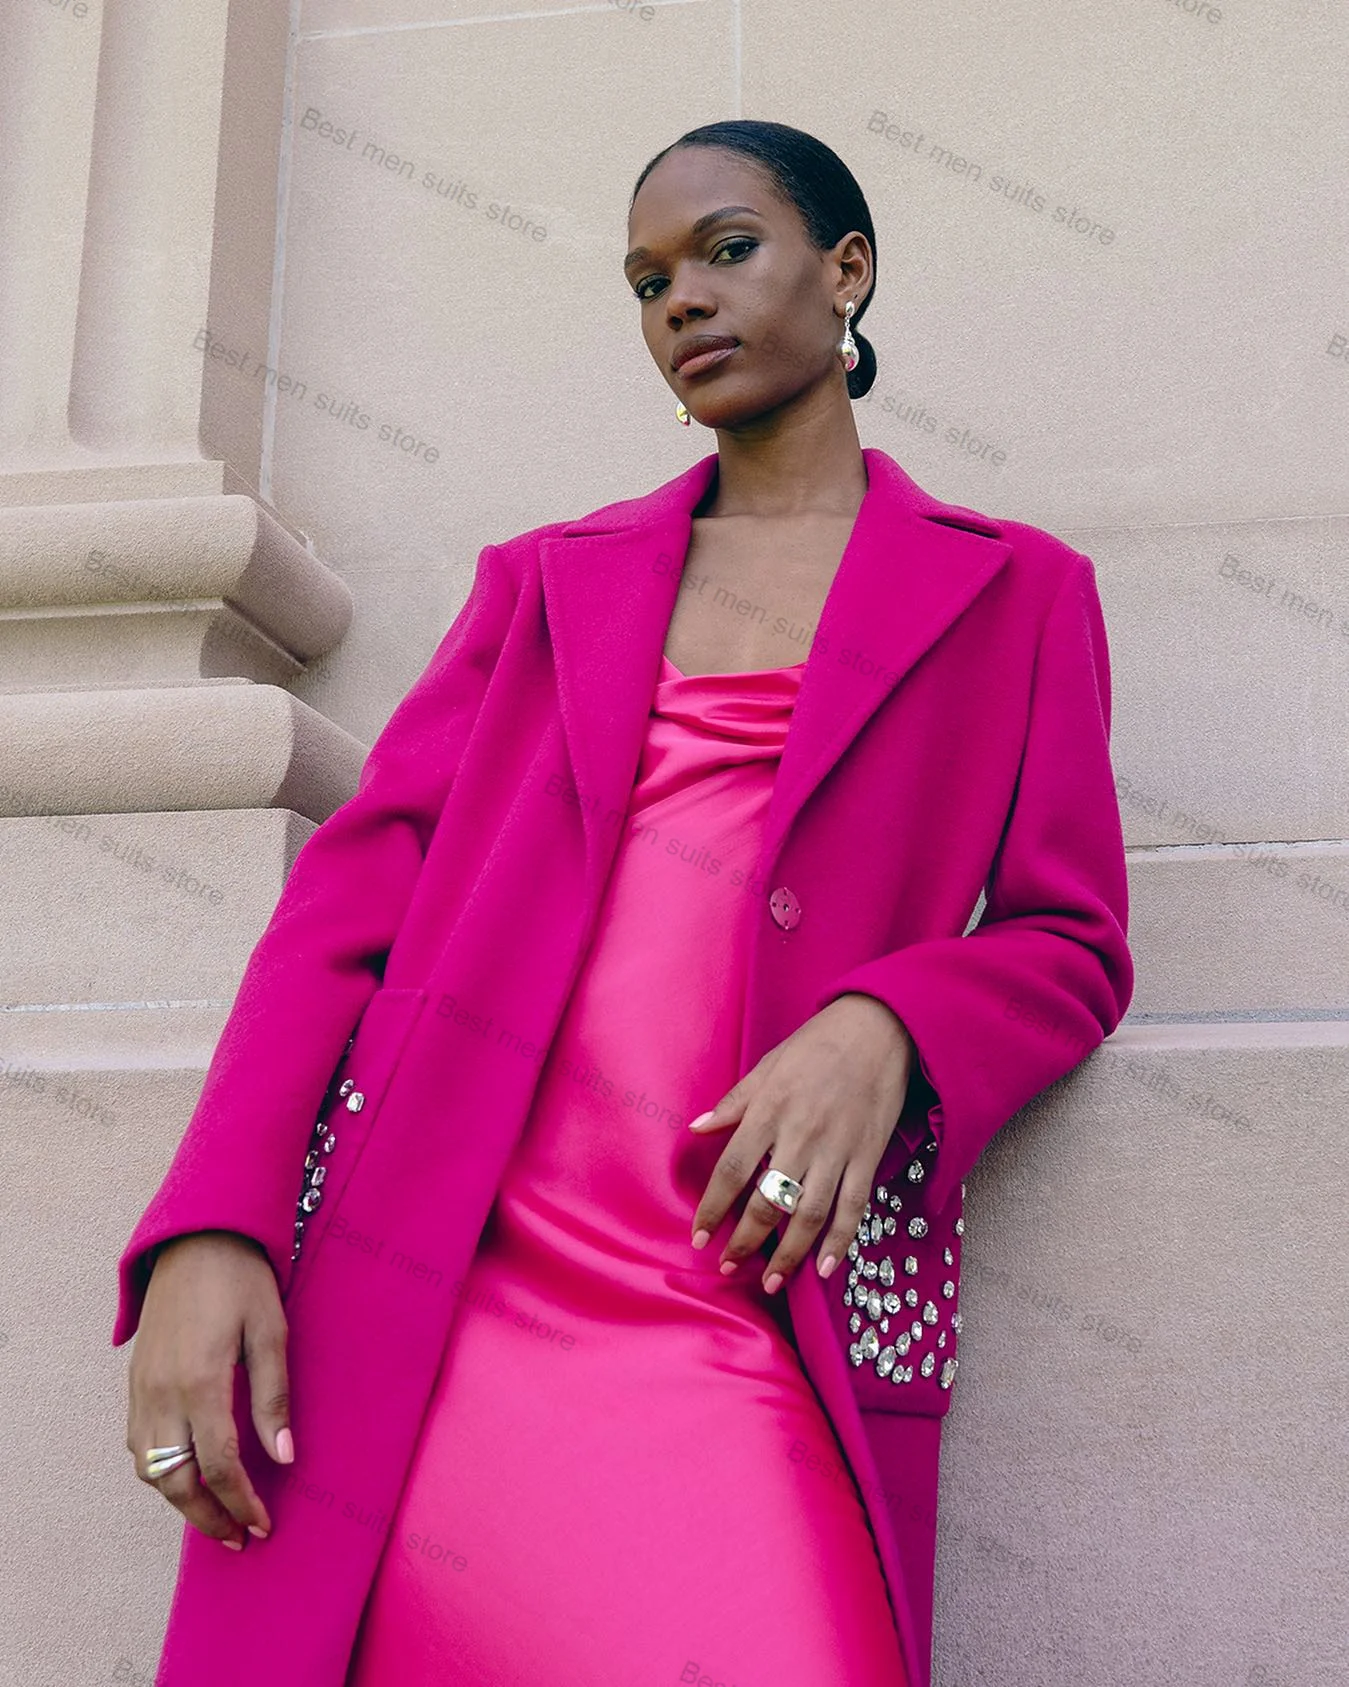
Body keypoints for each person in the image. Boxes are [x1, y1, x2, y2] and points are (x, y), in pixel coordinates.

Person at [117, 120, 1133, 1687]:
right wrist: (212, 1229)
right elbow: (342, 914)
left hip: (745, 1298)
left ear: (847, 271)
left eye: (729, 251)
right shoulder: (546, 585)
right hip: (450, 1288)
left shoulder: (1013, 591)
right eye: (650, 279)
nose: (683, 301)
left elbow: (1072, 939)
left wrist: (889, 1021)